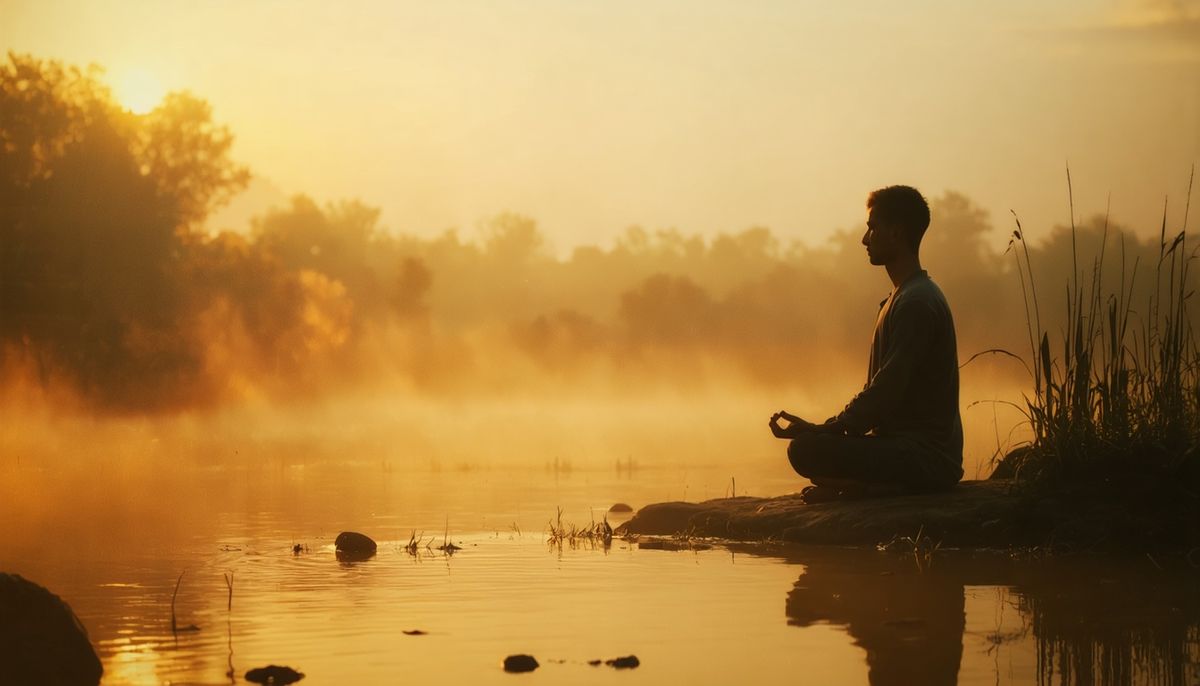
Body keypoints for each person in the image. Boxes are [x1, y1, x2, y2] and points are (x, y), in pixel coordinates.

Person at [769, 185, 963, 501]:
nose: (865, 238)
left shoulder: (917, 303)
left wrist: (824, 430)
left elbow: (886, 390)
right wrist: (826, 428)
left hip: (926, 458)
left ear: (897, 233)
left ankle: (868, 490)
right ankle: (868, 487)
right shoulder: (899, 298)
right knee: (807, 449)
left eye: (873, 228)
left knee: (806, 449)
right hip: (905, 450)